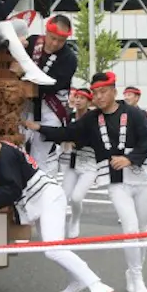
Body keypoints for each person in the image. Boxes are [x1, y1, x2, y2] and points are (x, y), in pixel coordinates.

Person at [0, 121, 115, 292]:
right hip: (42, 197)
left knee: (53, 249)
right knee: (53, 248)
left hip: (48, 197)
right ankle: (77, 280)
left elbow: (13, 189)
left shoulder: (2, 155)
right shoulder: (1, 150)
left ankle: (96, 285)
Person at [30, 71, 147, 292]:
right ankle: (137, 277)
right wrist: (37, 128)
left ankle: (133, 272)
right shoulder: (91, 119)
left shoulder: (135, 114)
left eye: (103, 92)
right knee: (130, 229)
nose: (99, 97)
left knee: (143, 229)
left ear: (114, 91)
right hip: (115, 180)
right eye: (95, 93)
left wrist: (130, 158)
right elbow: (68, 132)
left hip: (140, 176)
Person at [21, 15, 78, 177]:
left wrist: (24, 75)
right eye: (52, 38)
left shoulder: (69, 59)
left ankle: (39, 187)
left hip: (51, 107)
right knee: (17, 142)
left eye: (60, 40)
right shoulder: (32, 43)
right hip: (25, 103)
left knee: (40, 154)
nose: (55, 43)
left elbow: (53, 85)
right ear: (46, 30)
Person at [59, 88, 104, 238]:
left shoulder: (95, 118)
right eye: (76, 97)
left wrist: (75, 140)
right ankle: (58, 227)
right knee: (63, 197)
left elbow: (95, 139)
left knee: (77, 197)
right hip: (72, 163)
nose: (77, 100)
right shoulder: (70, 117)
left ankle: (75, 220)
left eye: (82, 98)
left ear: (89, 101)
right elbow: (62, 133)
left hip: (90, 165)